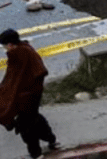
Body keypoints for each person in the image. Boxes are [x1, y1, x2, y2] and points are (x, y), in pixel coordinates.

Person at [0, 29, 60, 159]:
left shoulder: (19, 55)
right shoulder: (25, 49)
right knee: (35, 120)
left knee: (26, 126)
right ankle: (51, 140)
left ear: (10, 44)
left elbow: (15, 79)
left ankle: (36, 154)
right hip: (31, 96)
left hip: (26, 97)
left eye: (5, 46)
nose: (5, 49)